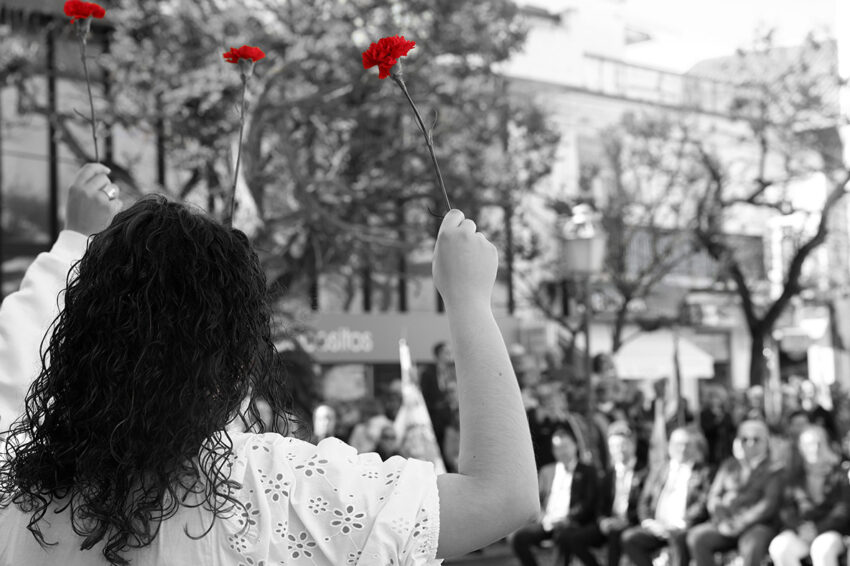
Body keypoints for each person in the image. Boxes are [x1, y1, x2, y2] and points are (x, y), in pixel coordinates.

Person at [0, 170, 539, 565]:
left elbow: (16, 362)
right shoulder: (268, 490)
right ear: (233, 360)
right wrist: (469, 300)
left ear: (75, 340)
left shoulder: (19, 497)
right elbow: (502, 497)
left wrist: (73, 242)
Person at [687, 419, 783, 566]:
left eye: (756, 439)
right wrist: (724, 521)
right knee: (697, 537)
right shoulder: (729, 465)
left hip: (757, 526)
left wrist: (739, 523)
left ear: (766, 441)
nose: (750, 443)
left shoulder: (775, 469)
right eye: (745, 439)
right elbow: (714, 497)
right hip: (726, 523)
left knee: (752, 544)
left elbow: (768, 505)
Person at [621, 426, 712, 566]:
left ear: (695, 447)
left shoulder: (704, 472)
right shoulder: (660, 470)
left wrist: (679, 525)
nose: (682, 449)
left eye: (687, 444)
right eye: (678, 444)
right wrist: (648, 522)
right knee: (630, 538)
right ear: (669, 446)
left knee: (679, 539)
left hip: (681, 528)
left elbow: (702, 504)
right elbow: (644, 501)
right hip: (656, 527)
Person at [509, 427, 598, 566]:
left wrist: (567, 519)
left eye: (565, 446)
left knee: (564, 536)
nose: (562, 451)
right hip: (547, 523)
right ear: (553, 451)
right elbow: (536, 501)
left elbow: (588, 502)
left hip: (570, 523)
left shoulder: (588, 471)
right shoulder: (547, 471)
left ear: (575, 445)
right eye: (558, 448)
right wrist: (544, 518)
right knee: (517, 537)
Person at [563, 422, 647, 566]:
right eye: (614, 447)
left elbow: (644, 504)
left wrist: (626, 521)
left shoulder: (644, 472)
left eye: (622, 445)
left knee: (615, 536)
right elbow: (600, 503)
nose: (619, 450)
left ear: (632, 445)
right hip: (609, 523)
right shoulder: (608, 474)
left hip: (631, 523)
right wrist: (602, 520)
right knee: (574, 539)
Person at [768, 425, 850, 566]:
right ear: (801, 448)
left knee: (822, 549)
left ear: (826, 444)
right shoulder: (795, 476)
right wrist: (799, 527)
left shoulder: (839, 474)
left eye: (819, 443)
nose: (815, 448)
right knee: (780, 547)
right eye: (809, 444)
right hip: (801, 531)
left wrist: (818, 528)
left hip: (831, 532)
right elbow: (786, 509)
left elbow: (842, 510)